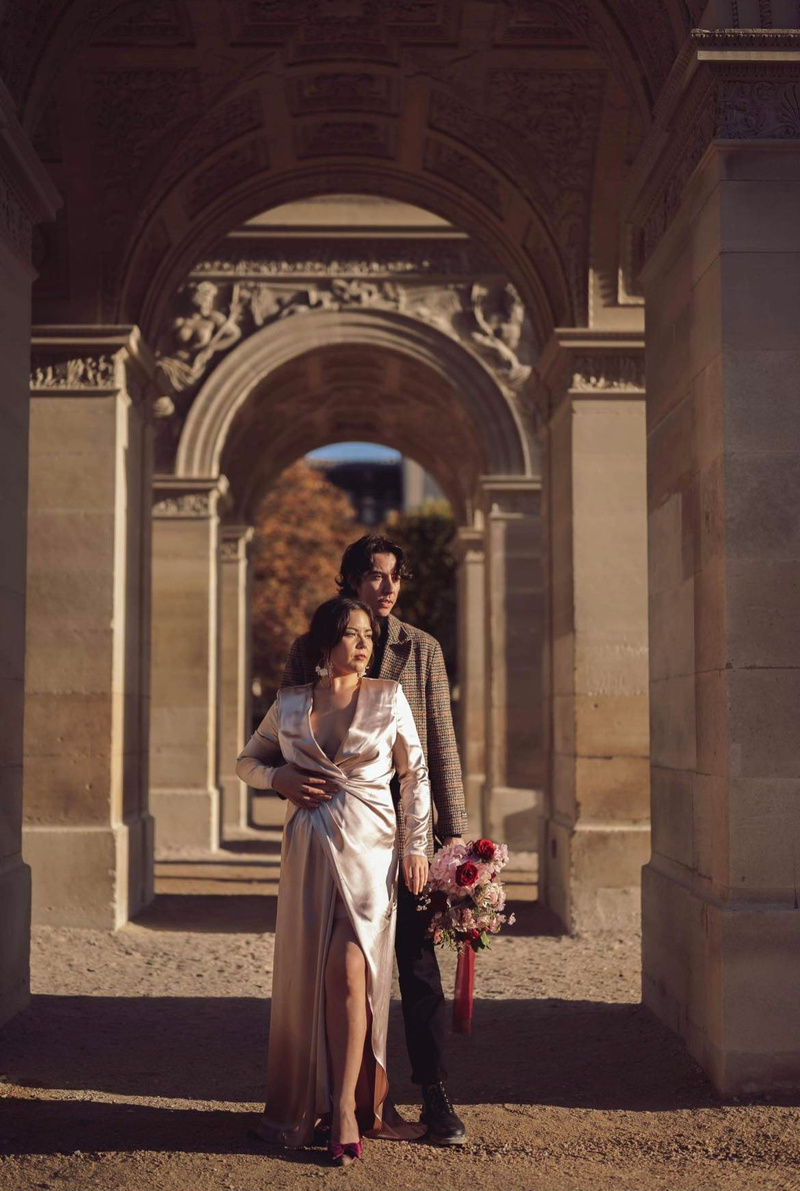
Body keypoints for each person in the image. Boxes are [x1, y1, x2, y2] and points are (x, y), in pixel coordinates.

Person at [272, 535, 469, 1146]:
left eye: (394, 578)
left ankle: (434, 1095)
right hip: (333, 843)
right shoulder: (312, 648)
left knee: (418, 968)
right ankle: (345, 1099)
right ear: (350, 581)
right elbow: (287, 730)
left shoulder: (423, 650)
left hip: (404, 839)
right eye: (375, 576)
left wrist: (452, 844)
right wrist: (284, 781)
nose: (387, 587)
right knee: (339, 971)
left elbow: (438, 749)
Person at [237, 596, 430, 1165]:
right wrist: (281, 778)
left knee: (350, 973)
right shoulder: (290, 704)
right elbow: (247, 761)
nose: (365, 643)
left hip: (372, 852)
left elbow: (414, 773)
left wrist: (416, 845)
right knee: (311, 977)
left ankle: (347, 1108)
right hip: (307, 852)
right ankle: (312, 1101)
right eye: (351, 634)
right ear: (325, 646)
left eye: (368, 634)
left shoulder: (389, 698)